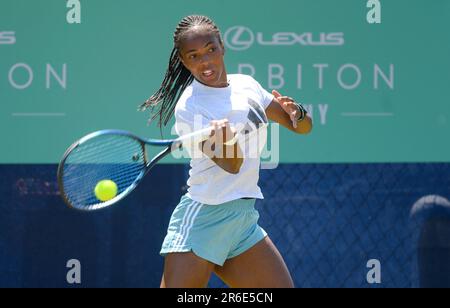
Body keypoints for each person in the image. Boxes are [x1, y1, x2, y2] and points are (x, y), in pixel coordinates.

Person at [140, 15, 312, 288]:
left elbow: (302, 127)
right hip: (204, 218)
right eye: (194, 56)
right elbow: (232, 165)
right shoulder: (190, 107)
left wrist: (297, 112)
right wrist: (226, 140)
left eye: (210, 49)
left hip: (242, 220)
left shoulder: (247, 85)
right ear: (185, 62)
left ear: (222, 46)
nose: (205, 61)